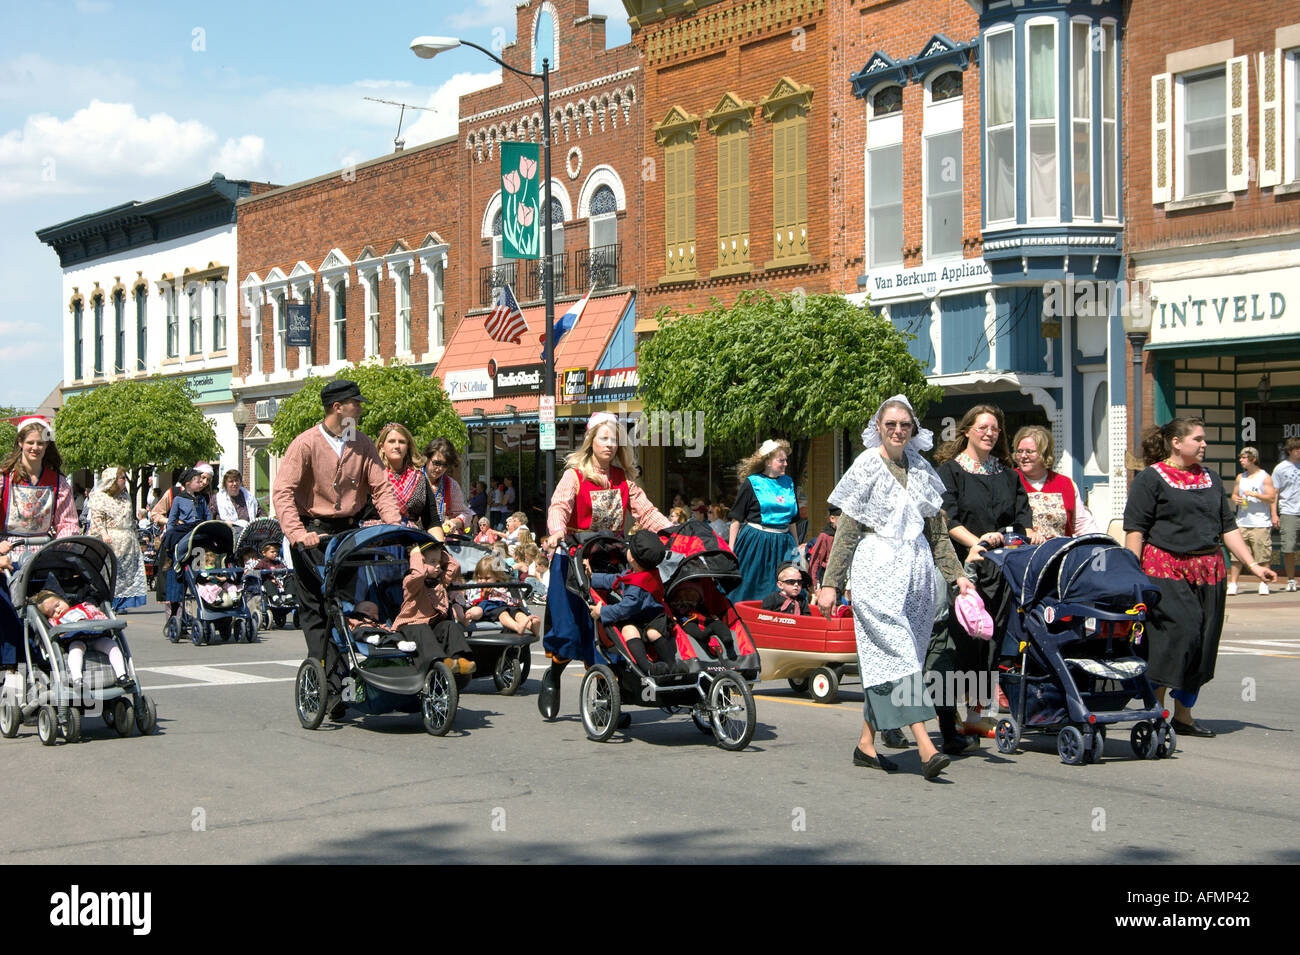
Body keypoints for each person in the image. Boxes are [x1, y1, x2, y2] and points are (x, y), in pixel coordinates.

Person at [817, 395, 975, 779]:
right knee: (899, 656)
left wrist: (957, 577)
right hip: (876, 570)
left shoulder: (922, 468)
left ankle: (866, 743)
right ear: (879, 428)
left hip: (917, 576)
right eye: (891, 424)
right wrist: (830, 583)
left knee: (893, 659)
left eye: (905, 425)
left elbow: (938, 534)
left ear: (914, 429)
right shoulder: (866, 466)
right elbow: (849, 530)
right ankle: (925, 745)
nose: (898, 430)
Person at [1124, 419, 1277, 738]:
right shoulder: (1150, 479)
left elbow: (1228, 528)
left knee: (1204, 642)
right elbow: (1136, 530)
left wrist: (1252, 564)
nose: (1204, 444)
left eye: (1204, 439)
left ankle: (1183, 715)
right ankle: (1155, 708)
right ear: (1176, 443)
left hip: (1209, 570)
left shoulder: (1210, 478)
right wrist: (1131, 574)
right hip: (1165, 569)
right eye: (1198, 439)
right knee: (1180, 634)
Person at [271, 379, 402, 694]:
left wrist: (395, 524)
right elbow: (283, 493)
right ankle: (325, 677)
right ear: (337, 407)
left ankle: (345, 669)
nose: (359, 409)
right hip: (312, 533)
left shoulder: (362, 443)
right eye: (355, 404)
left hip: (346, 534)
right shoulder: (306, 443)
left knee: (344, 605)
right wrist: (298, 533)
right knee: (317, 607)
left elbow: (381, 488)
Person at [537, 412, 671, 718]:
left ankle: (604, 699)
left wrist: (670, 530)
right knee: (570, 630)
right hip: (573, 559)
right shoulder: (574, 475)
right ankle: (553, 676)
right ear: (591, 441)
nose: (610, 445)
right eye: (604, 438)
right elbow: (559, 506)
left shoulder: (624, 479)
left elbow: (646, 512)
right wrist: (557, 529)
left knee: (609, 630)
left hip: (611, 562)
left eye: (615, 439)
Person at [933, 404, 1034, 747]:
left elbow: (1022, 516)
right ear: (966, 431)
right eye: (983, 427)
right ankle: (951, 714)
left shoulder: (1007, 473)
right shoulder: (950, 471)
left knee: (988, 642)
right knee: (960, 641)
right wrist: (977, 543)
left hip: (1001, 568)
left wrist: (1028, 533)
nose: (990, 433)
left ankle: (976, 714)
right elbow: (947, 518)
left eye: (995, 428)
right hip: (963, 567)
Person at [587, 529, 675, 675]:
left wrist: (601, 611)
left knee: (640, 631)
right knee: (637, 631)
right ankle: (661, 665)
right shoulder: (643, 573)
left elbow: (624, 609)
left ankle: (659, 666)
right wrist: (593, 577)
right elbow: (615, 580)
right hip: (647, 618)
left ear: (632, 558)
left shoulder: (637, 585)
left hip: (649, 618)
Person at [728, 439, 802, 603]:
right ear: (768, 461)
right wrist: (731, 548)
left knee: (790, 584)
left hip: (784, 542)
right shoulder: (753, 482)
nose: (785, 464)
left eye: (786, 460)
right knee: (750, 585)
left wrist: (797, 548)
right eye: (781, 460)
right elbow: (736, 518)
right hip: (756, 541)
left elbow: (793, 520)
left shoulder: (788, 482)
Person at [393, 540, 475, 675]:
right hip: (411, 626)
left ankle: (458, 660)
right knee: (422, 628)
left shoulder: (440, 581)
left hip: (431, 627)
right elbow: (418, 574)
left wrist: (439, 553)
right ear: (420, 561)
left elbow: (455, 566)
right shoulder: (411, 582)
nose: (437, 566)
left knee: (449, 625)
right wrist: (415, 554)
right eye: (432, 562)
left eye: (439, 562)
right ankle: (440, 662)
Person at [1012, 425, 1101, 539]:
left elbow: (1083, 526)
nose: (1023, 456)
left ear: (1044, 454)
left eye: (1029, 451)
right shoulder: (1010, 481)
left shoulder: (1066, 484)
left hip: (1060, 553)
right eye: (1020, 451)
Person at [33, 590, 132, 690]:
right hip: (76, 640)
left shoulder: (85, 607)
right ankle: (77, 679)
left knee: (112, 645)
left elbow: (101, 616)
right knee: (75, 651)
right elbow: (54, 632)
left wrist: (102, 622)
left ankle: (122, 675)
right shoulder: (54, 621)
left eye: (57, 605)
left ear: (64, 600)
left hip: (96, 637)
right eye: (52, 612)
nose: (57, 610)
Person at [85, 466, 148, 612]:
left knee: (125, 573)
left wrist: (135, 535)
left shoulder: (125, 496)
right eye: (122, 478)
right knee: (111, 572)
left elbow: (129, 518)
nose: (124, 480)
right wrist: (104, 533)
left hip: (127, 539)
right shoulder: (101, 496)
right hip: (110, 540)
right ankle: (108, 601)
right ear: (112, 480)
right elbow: (97, 517)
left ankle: (121, 604)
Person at [161, 469, 211, 619]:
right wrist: (169, 532)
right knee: (171, 534)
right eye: (198, 481)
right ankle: (171, 556)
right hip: (184, 528)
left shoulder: (202, 499)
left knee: (204, 538)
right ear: (188, 484)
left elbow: (207, 516)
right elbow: (171, 520)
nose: (201, 483)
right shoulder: (178, 499)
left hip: (198, 528)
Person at [1229, 447, 1276, 596]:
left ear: (1253, 459)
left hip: (1260, 523)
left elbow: (1271, 497)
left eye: (1244, 458)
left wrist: (1255, 494)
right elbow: (1234, 494)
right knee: (1236, 556)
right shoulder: (1240, 477)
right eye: (1240, 458)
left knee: (1262, 555)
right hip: (1242, 520)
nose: (1241, 460)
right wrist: (1235, 498)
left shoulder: (1264, 477)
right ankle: (1233, 583)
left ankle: (1264, 583)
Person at [464, 554, 541, 638]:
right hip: (490, 609)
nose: (482, 581)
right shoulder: (477, 587)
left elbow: (510, 599)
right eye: (480, 578)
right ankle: (517, 627)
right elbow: (472, 602)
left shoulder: (501, 587)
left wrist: (516, 602)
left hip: (506, 607)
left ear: (497, 577)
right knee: (502, 612)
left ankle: (532, 626)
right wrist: (484, 596)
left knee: (517, 612)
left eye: (487, 578)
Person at [420, 438, 473, 536]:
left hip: (439, 538)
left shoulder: (451, 485)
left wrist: (454, 523)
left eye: (445, 465)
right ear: (427, 458)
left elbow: (466, 514)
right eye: (436, 463)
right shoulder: (413, 478)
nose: (439, 468)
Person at [377, 423, 427, 526]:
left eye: (402, 442)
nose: (397, 446)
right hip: (379, 535)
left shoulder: (419, 478)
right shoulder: (373, 476)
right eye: (391, 441)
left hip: (411, 536)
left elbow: (432, 520)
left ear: (408, 446)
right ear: (382, 447)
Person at [1272, 437, 1300, 592]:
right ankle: (1291, 579)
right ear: (1290, 450)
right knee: (1289, 547)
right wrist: (1274, 514)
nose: (1299, 451)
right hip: (1289, 511)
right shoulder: (1280, 468)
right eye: (1297, 449)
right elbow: (1274, 492)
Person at [807, 506, 840, 591]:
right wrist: (813, 580)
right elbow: (816, 559)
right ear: (832, 519)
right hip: (828, 575)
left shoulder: (846, 536)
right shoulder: (825, 536)